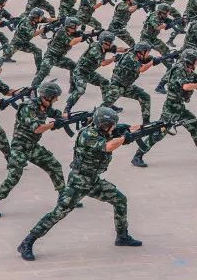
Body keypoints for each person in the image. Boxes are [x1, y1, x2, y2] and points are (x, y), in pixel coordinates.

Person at [17, 107, 143, 261]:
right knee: (59, 213)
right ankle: (27, 242)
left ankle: (122, 236)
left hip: (93, 180)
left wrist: (143, 129)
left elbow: (129, 129)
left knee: (120, 200)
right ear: (103, 125)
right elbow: (109, 146)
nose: (114, 128)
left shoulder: (104, 131)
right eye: (112, 125)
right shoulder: (89, 135)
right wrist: (126, 137)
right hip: (79, 181)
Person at [0, 82, 68, 218]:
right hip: (20, 147)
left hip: (32, 146)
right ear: (47, 97)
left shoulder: (45, 106)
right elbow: (37, 128)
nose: (56, 100)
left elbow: (57, 115)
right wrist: (53, 125)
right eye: (55, 97)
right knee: (13, 177)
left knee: (54, 166)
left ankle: (64, 198)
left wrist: (75, 117)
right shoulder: (28, 108)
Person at [131, 49, 197, 167]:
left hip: (179, 107)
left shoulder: (187, 69)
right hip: (171, 107)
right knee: (159, 133)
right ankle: (138, 156)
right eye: (196, 61)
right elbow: (186, 86)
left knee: (195, 125)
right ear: (190, 60)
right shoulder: (179, 69)